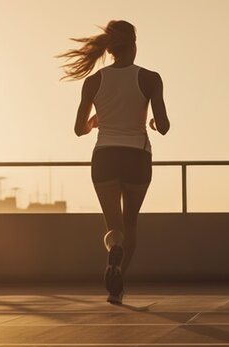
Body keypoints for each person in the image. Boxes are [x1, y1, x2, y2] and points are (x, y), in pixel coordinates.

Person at [59, 20, 170, 304]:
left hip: (105, 155)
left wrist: (95, 122)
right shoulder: (150, 78)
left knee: (114, 227)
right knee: (131, 222)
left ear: (109, 49)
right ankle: (117, 280)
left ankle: (114, 248)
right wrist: (154, 123)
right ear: (133, 46)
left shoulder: (94, 81)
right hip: (137, 155)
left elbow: (78, 129)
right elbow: (165, 125)